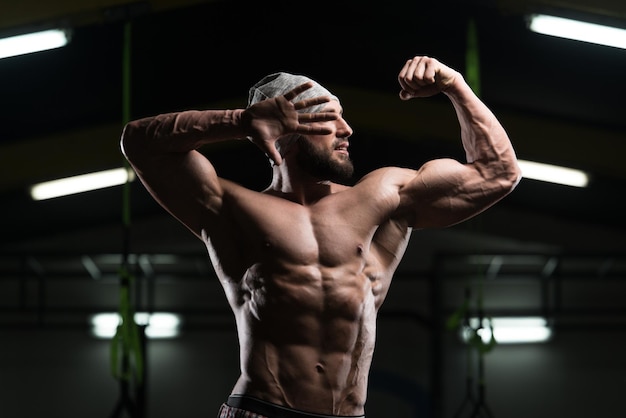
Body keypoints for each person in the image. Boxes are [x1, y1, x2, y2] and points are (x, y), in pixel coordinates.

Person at [120, 56, 521, 418]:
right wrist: (238, 121)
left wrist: (455, 86)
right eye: (330, 119)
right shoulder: (229, 208)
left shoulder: (384, 195)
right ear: (287, 129)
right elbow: (139, 142)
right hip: (261, 409)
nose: (347, 130)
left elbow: (499, 173)